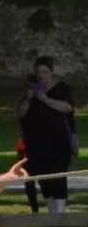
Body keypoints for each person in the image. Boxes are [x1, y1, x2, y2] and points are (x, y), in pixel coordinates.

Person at [17, 56, 74, 216]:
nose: (42, 75)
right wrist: (28, 99)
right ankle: (52, 214)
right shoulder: (31, 89)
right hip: (36, 145)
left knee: (58, 177)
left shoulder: (61, 88)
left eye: (45, 72)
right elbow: (21, 113)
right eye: (39, 72)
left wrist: (46, 99)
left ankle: (60, 213)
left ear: (51, 72)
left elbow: (67, 108)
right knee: (44, 179)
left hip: (58, 144)